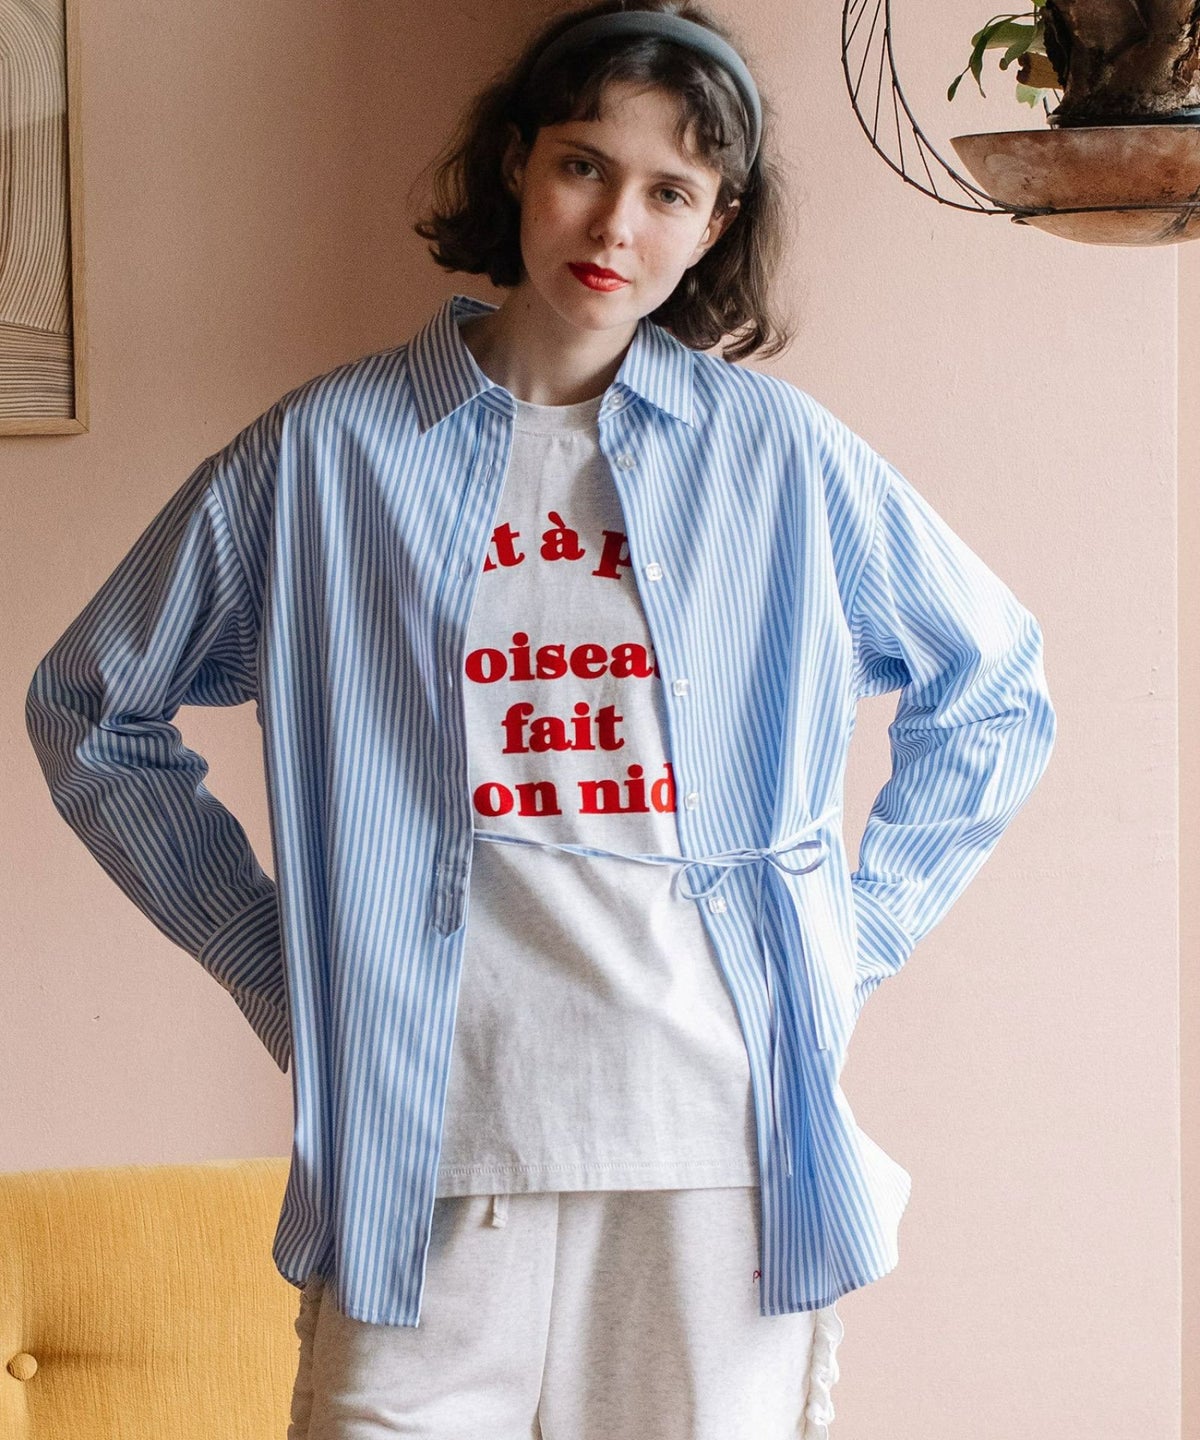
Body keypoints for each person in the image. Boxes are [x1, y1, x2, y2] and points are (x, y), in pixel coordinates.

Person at [24, 2, 1057, 1437]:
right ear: (517, 164)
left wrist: (850, 939)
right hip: (429, 1138)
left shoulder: (781, 460)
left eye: (670, 191)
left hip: (710, 1146)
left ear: (715, 223)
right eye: (584, 164)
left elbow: (995, 692)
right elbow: (90, 707)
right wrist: (278, 960)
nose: (615, 223)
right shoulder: (330, 454)